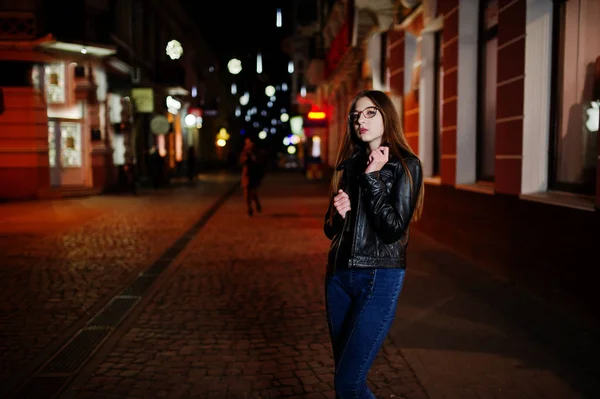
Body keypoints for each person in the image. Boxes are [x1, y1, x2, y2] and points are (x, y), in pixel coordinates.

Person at [323, 90, 424, 399]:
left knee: (349, 384)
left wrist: (374, 178)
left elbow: (393, 230)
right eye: (355, 116)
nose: (360, 121)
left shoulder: (405, 165)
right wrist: (339, 215)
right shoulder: (348, 165)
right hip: (339, 277)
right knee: (344, 376)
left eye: (369, 113)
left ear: (386, 116)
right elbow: (330, 229)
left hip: (378, 277)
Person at [240, 137, 263, 216]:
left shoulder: (256, 152)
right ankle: (249, 208)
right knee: (246, 193)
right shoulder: (244, 152)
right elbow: (241, 161)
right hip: (246, 175)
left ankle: (257, 204)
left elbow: (259, 162)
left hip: (254, 174)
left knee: (253, 193)